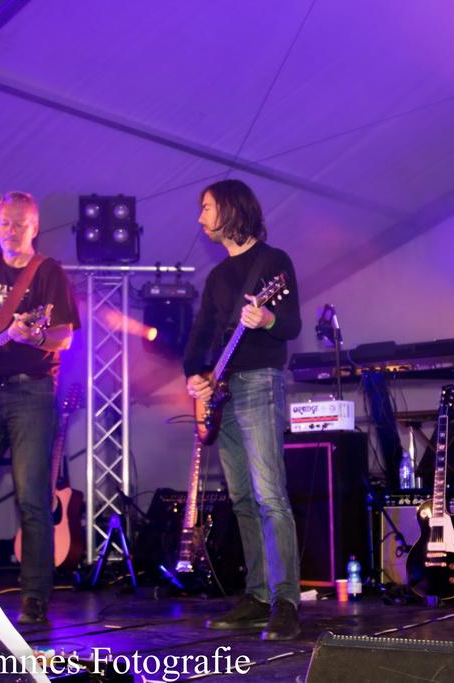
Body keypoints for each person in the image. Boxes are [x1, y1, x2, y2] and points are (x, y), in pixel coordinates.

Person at [0, 191, 80, 625]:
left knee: (33, 499)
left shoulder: (48, 273)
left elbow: (64, 336)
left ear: (35, 227)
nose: (11, 231)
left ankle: (35, 599)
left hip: (31, 393)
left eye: (20, 224)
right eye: (5, 223)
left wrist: (34, 336)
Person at [183, 179, 302, 641]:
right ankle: (256, 596)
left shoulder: (273, 264)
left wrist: (267, 318)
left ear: (231, 209)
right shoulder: (216, 277)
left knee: (271, 495)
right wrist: (195, 375)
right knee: (242, 500)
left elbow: (290, 324)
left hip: (259, 383)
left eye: (207, 207)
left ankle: (286, 601)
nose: (200, 217)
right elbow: (201, 334)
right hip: (222, 391)